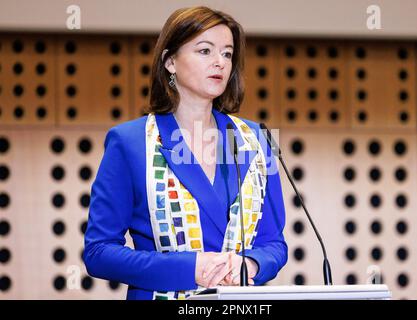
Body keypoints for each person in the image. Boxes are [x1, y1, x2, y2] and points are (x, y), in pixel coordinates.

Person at [83, 6, 287, 300]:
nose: (220, 62)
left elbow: (274, 243)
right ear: (170, 62)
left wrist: (251, 264)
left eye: (227, 54)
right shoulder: (128, 142)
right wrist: (190, 268)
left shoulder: (257, 139)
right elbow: (98, 252)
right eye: (205, 51)